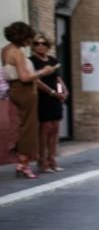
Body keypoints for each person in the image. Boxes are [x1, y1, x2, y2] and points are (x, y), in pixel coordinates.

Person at [2, 22, 55, 178]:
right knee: (28, 129)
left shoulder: (5, 50)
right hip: (25, 91)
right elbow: (25, 77)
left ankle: (22, 162)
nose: (30, 41)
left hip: (14, 90)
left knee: (22, 126)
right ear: (23, 37)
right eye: (29, 38)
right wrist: (44, 71)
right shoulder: (17, 52)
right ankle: (23, 164)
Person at [29, 33, 68, 173]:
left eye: (43, 43)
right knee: (45, 129)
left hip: (55, 98)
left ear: (48, 46)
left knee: (55, 129)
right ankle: (42, 160)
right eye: (37, 44)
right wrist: (52, 92)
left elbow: (58, 78)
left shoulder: (52, 60)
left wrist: (64, 91)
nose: (40, 46)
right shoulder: (31, 61)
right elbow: (36, 80)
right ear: (33, 46)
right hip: (43, 97)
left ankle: (52, 159)